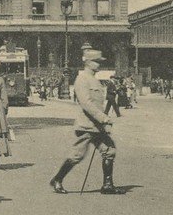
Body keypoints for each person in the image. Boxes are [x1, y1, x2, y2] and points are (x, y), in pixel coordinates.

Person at [49, 48, 123, 195]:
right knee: (77, 155)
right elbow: (86, 103)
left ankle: (107, 185)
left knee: (109, 150)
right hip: (86, 126)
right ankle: (57, 180)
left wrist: (103, 122)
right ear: (88, 62)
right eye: (96, 62)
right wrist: (103, 118)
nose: (99, 64)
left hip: (97, 126)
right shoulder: (82, 79)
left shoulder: (94, 80)